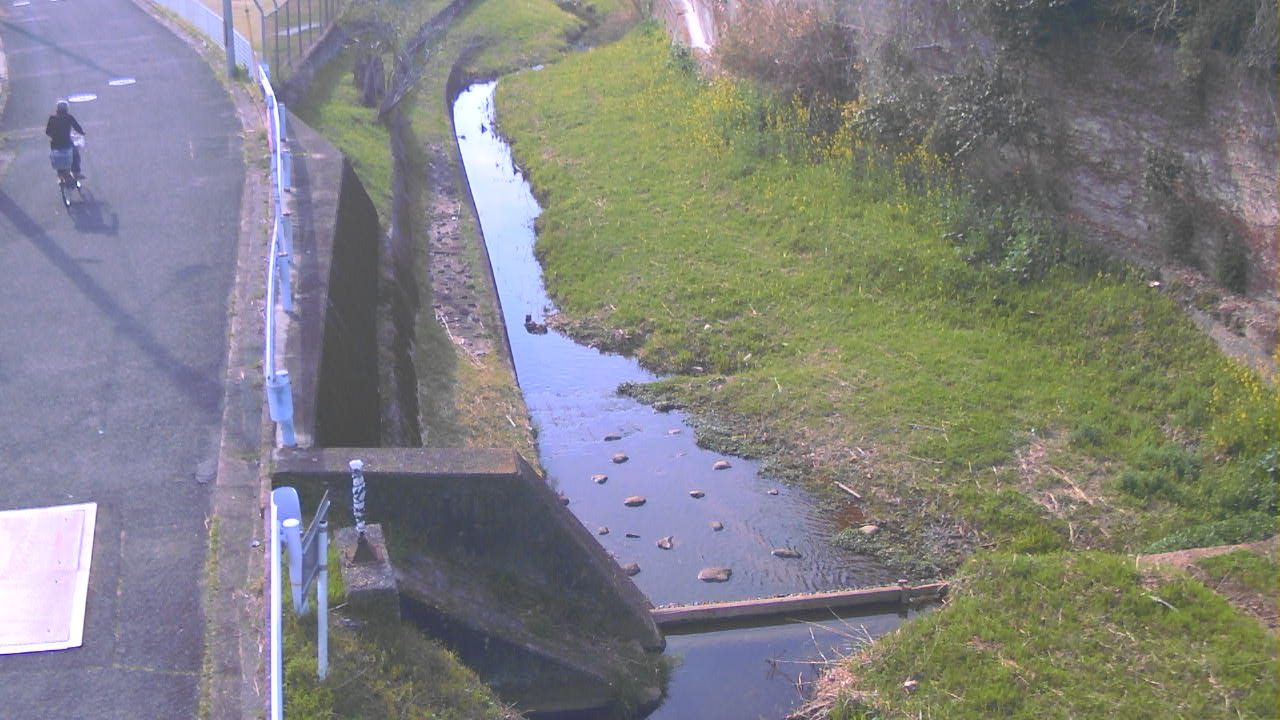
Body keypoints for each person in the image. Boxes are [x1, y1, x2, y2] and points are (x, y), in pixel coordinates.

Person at [45, 100, 85, 179]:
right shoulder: (69, 117)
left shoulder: (52, 118)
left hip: (55, 144)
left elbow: (47, 132)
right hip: (67, 143)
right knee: (75, 154)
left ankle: (60, 173)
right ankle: (76, 172)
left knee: (57, 158)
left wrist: (55, 136)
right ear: (66, 109)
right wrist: (82, 133)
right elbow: (77, 127)